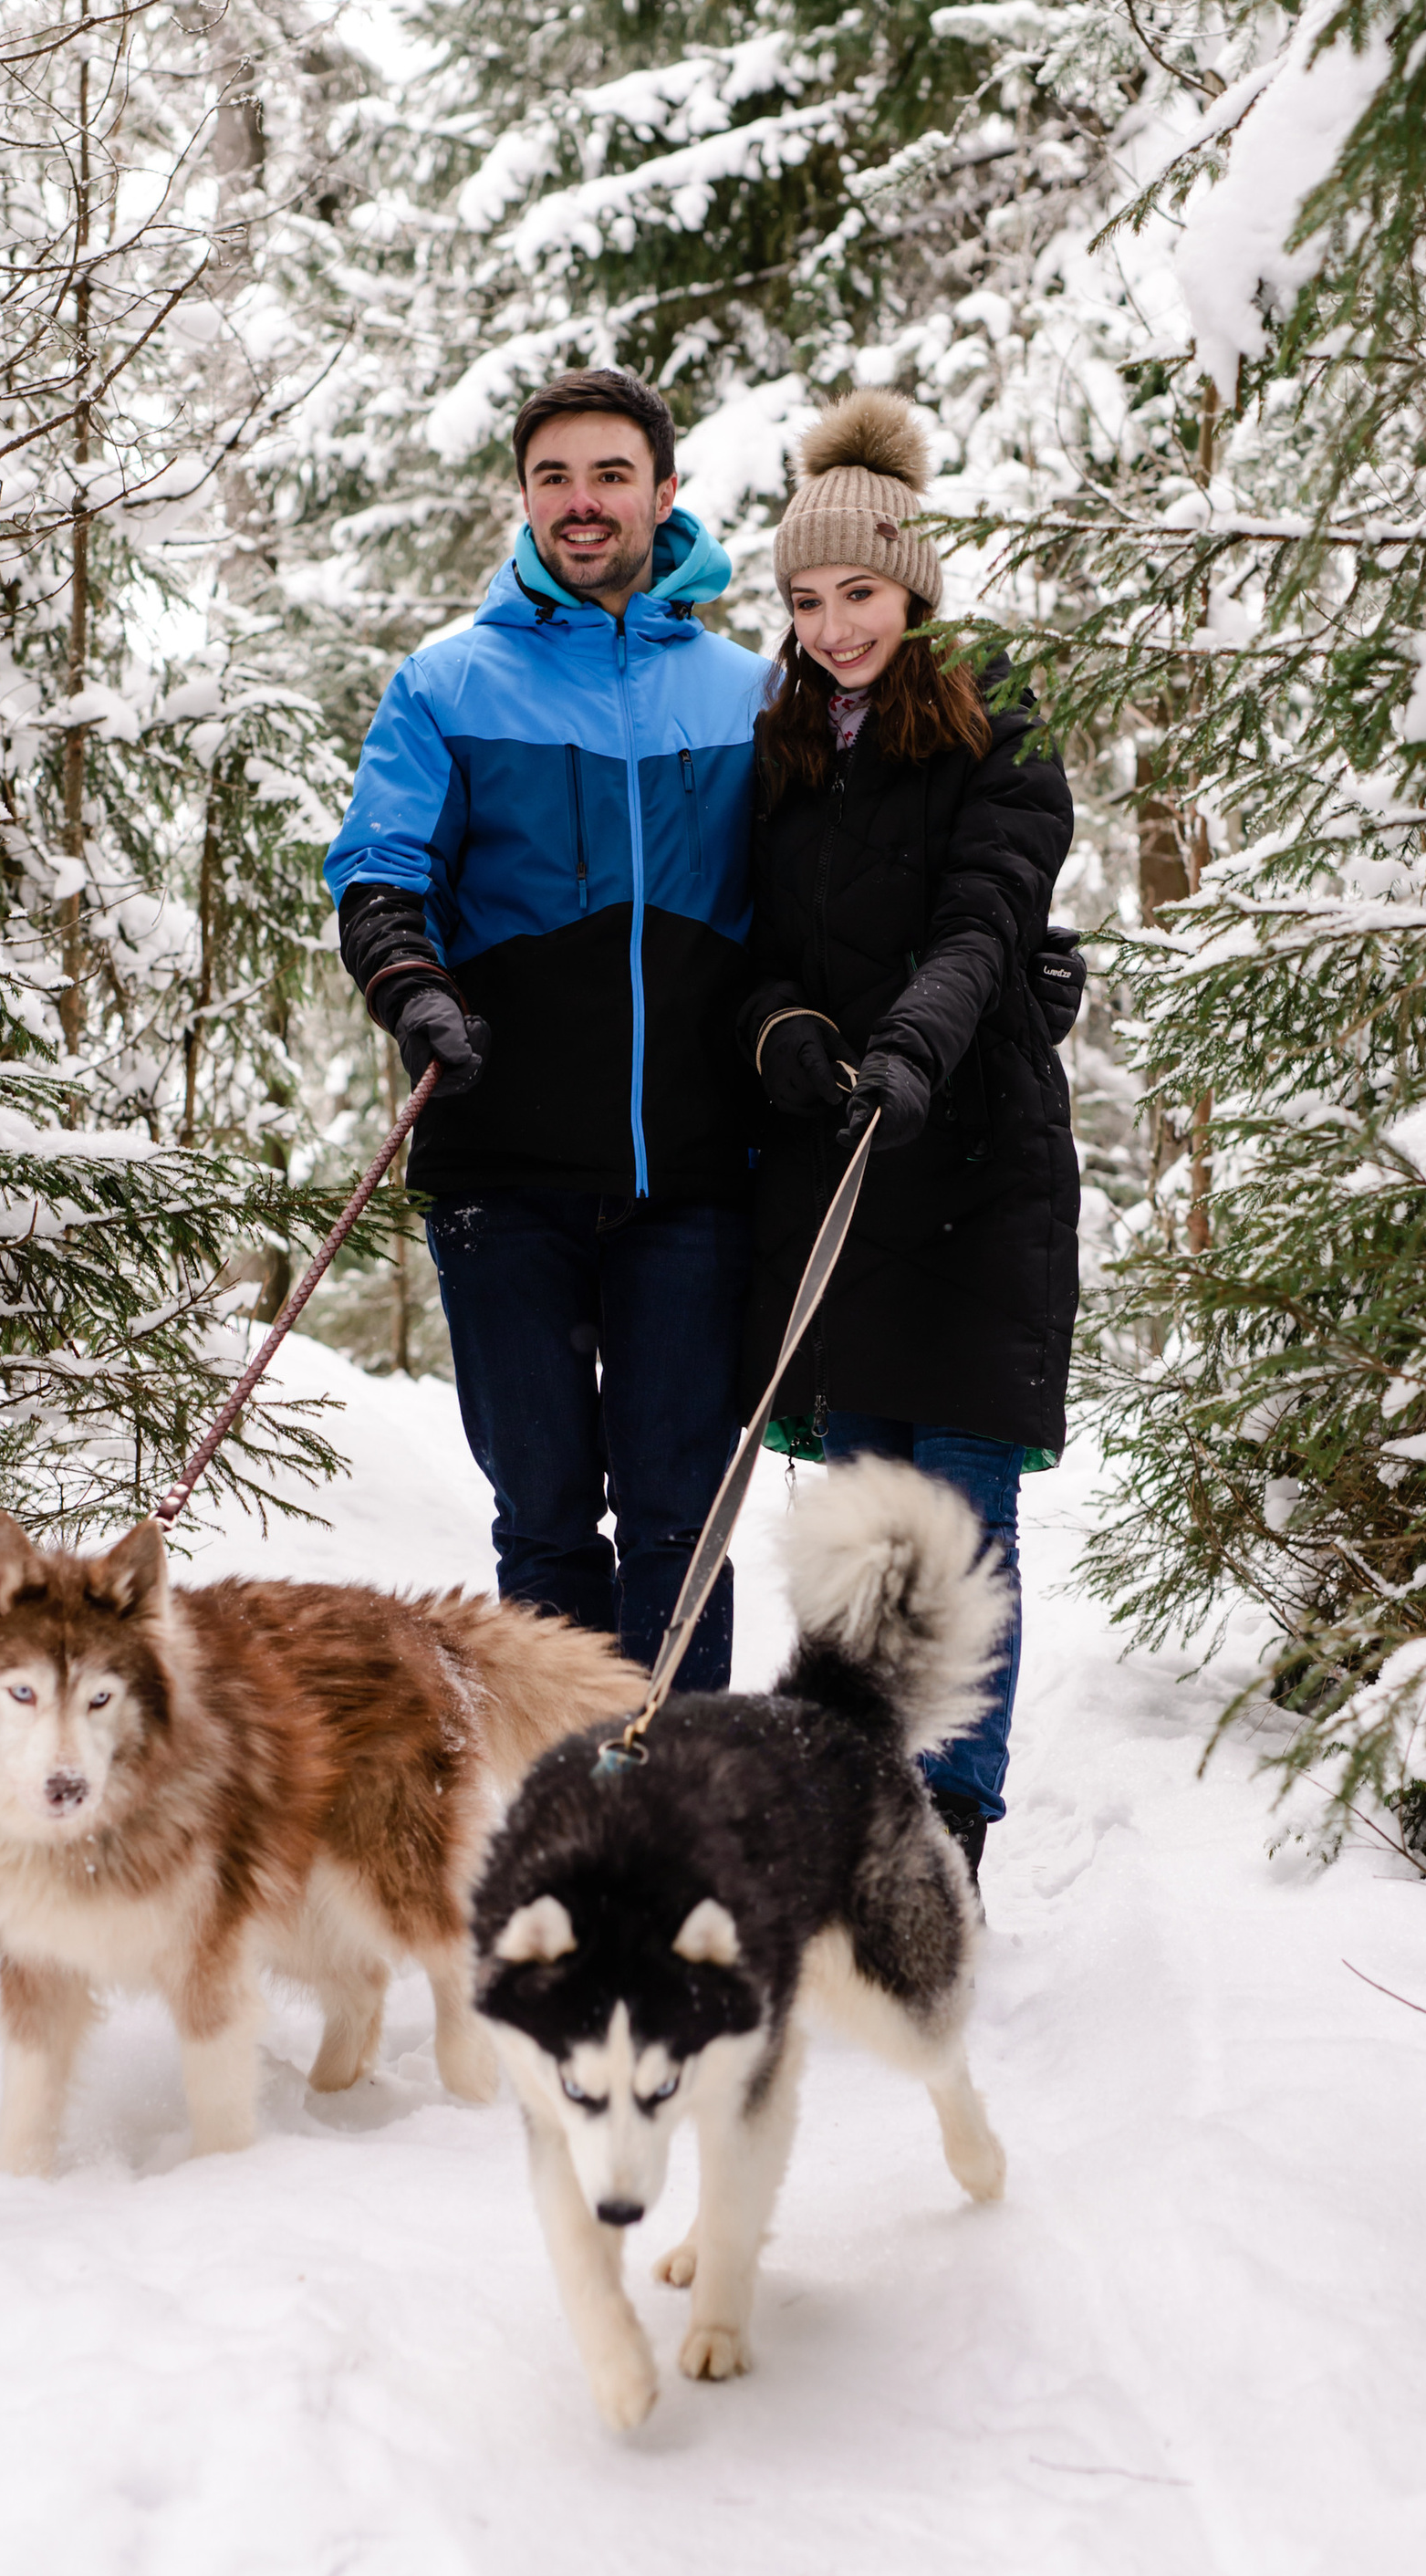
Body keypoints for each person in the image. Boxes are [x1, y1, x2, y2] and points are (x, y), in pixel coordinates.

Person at [326, 369, 770, 1689]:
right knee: (544, 1520)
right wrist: (414, 984)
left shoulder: (750, 696)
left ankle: (681, 1814)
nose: (582, 503)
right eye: (555, 477)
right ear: (523, 497)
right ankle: (569, 1814)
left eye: (610, 474)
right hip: (500, 1161)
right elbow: (380, 866)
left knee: (682, 1517)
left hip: (694, 1173)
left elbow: (838, 886)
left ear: (666, 493)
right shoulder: (448, 684)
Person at [738, 390, 1080, 1872]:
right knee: (864, 1513)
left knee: (962, 1512)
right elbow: (740, 936)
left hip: (977, 1161)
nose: (831, 626)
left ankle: (951, 1821)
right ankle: (856, 1793)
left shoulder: (1000, 713)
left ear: (914, 584)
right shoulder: (782, 737)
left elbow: (989, 912)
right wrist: (787, 1032)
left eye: (858, 593)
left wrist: (913, 1049)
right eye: (807, 599)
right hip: (843, 1176)